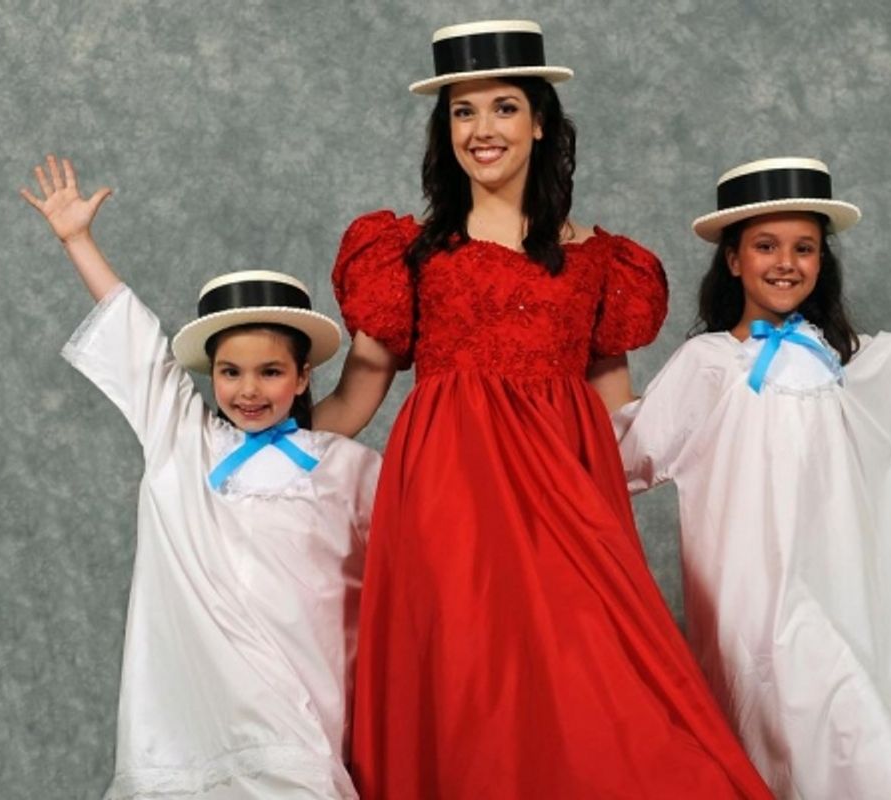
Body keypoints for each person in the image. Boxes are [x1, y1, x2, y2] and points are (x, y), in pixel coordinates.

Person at [315, 20, 773, 799]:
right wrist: (243, 443)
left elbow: (620, 406)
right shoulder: (409, 252)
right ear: (444, 129)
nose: (482, 130)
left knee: (598, 680)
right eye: (463, 112)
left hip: (568, 493)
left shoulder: (599, 261)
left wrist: (733, 418)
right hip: (446, 499)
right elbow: (357, 397)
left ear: (538, 122)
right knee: (470, 688)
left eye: (502, 108)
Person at [614, 156, 891, 799]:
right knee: (806, 746)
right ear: (734, 260)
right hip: (753, 616)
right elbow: (624, 455)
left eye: (804, 248)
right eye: (766, 245)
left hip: (849, 600)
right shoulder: (706, 366)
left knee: (847, 750)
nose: (785, 262)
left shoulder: (853, 363)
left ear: (822, 262)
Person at [21, 155, 380, 799]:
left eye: (270, 372)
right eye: (230, 372)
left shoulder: (343, 465)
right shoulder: (180, 441)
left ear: (302, 378)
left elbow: (417, 551)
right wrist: (79, 240)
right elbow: (136, 338)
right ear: (209, 376)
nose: (247, 390)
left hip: (306, 701)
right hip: (197, 712)